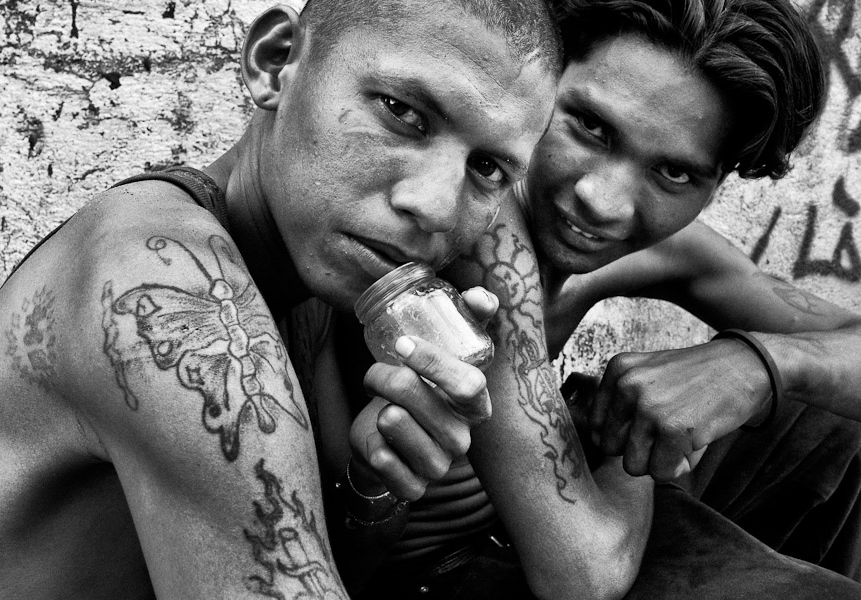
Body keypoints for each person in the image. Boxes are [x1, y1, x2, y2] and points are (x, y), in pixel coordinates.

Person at [0, 1, 565, 598]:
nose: (434, 206)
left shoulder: (309, 283)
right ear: (275, 62)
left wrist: (376, 480)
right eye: (402, 112)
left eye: (486, 167)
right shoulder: (169, 278)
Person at [308, 0, 861, 597]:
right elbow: (580, 578)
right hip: (438, 576)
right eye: (590, 127)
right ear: (544, 79)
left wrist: (760, 365)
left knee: (827, 419)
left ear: (717, 181)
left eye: (673, 173)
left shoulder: (664, 250)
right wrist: (630, 453)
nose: (603, 199)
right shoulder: (483, 237)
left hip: (533, 533)